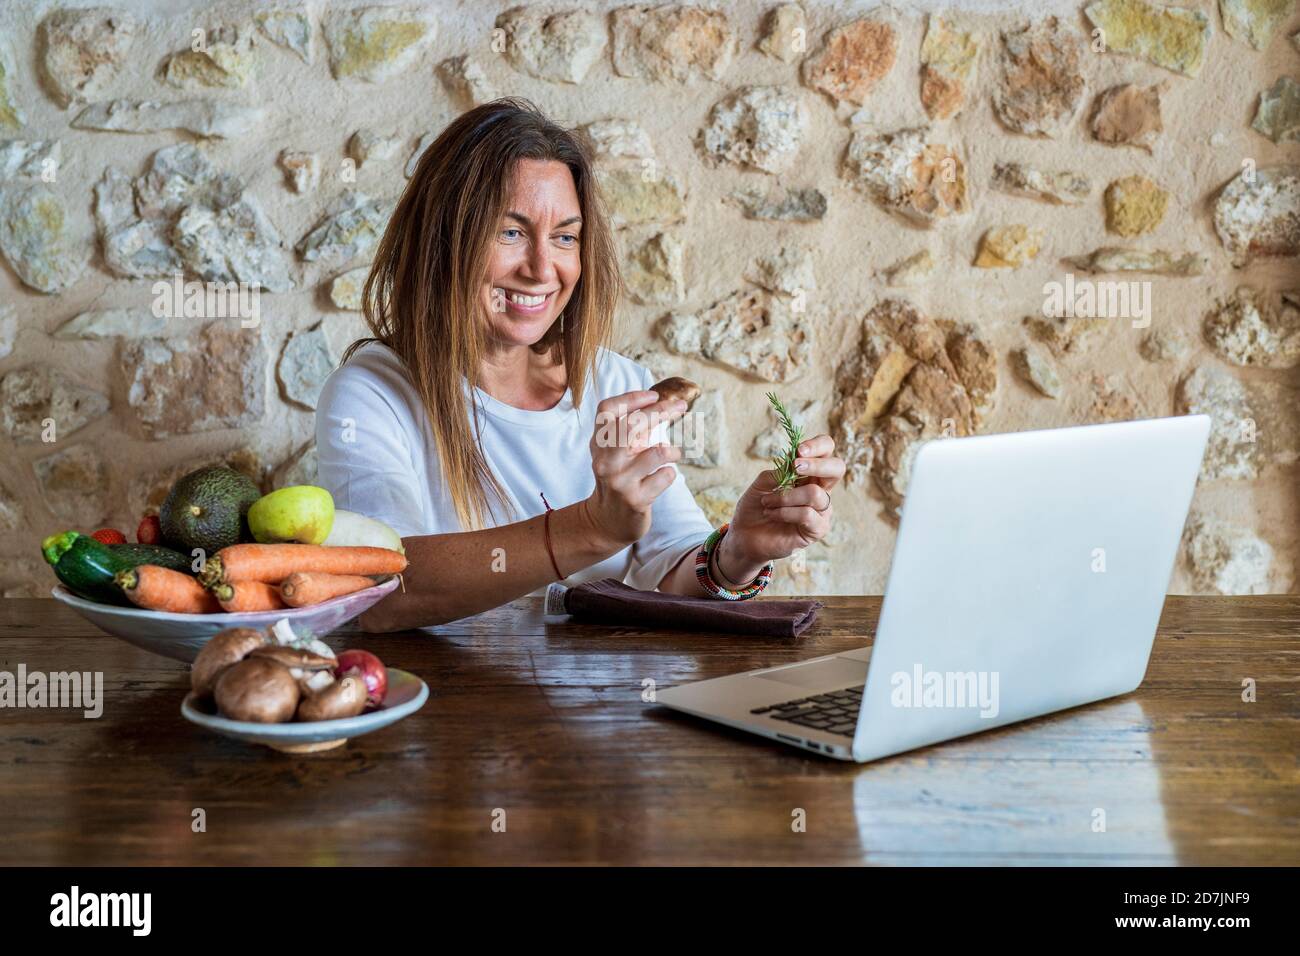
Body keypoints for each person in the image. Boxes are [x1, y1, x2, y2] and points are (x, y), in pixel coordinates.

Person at [315, 98, 844, 631]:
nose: (543, 268)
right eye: (511, 232)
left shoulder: (614, 384)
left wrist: (739, 553)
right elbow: (383, 591)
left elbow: (673, 565)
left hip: (596, 704)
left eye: (565, 237)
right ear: (443, 240)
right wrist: (590, 528)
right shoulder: (373, 393)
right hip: (450, 707)